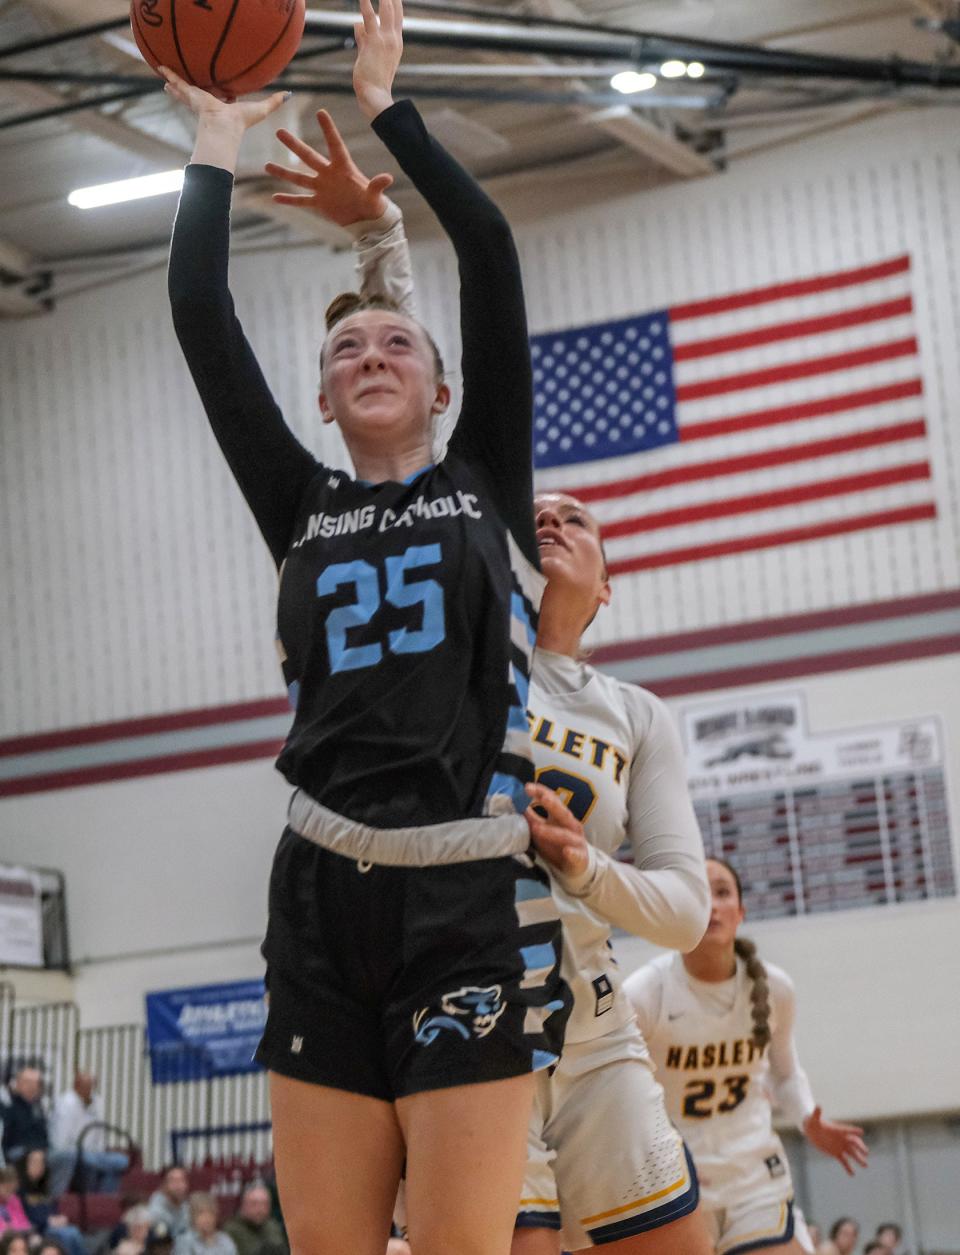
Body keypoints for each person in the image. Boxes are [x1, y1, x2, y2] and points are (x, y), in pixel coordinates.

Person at [268, 114, 716, 1254]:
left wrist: (583, 860)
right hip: (463, 988)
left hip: (595, 1021)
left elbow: (682, 903)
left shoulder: (630, 715)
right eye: (541, 511)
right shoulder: (456, 623)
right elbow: (417, 439)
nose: (553, 520)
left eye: (581, 520)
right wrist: (376, 238)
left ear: (610, 584)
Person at [161, 0, 569, 1250]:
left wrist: (388, 105)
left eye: (397, 338)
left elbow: (488, 253)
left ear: (443, 388)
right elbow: (201, 318)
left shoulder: (482, 480)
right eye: (347, 348)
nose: (371, 352)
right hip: (318, 896)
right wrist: (217, 141)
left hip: (460, 900)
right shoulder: (299, 503)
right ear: (329, 400)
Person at [625, 858, 869, 1255]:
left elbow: (785, 1074)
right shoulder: (645, 993)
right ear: (680, 912)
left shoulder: (776, 988)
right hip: (675, 1180)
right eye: (700, 895)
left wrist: (808, 1120)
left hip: (754, 1177)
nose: (713, 906)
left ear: (741, 913)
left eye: (722, 893)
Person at [50, 1071, 128, 1194]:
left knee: (121, 1161)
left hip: (94, 1154)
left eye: (91, 1086)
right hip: (72, 1152)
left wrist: (100, 1153)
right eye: (85, 1086)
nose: (89, 1089)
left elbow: (99, 1132)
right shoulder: (65, 1103)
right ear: (76, 1086)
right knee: (90, 1161)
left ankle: (104, 1202)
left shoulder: (97, 1102)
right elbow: (60, 1142)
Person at [14, 1150, 86, 1255]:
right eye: (34, 1162)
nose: (39, 1166)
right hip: (36, 1231)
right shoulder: (19, 1190)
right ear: (25, 1165)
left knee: (72, 1231)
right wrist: (47, 1221)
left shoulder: (44, 1188)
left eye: (42, 1162)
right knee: (68, 1234)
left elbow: (52, 1209)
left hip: (51, 1227)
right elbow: (22, 1217)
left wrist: (59, 1217)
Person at [222, 1183, 286, 1255]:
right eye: (254, 1204)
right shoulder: (231, 1231)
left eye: (265, 1204)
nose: (260, 1209)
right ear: (243, 1205)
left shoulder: (273, 1227)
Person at [147, 1167, 190, 1238]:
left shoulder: (186, 1206)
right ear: (164, 1185)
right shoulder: (156, 1212)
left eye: (182, 1180)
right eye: (174, 1181)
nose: (179, 1186)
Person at [0, 1167, 30, 1237]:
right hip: (4, 1236)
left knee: (35, 1239)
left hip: (17, 1234)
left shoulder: (15, 1199)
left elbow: (24, 1222)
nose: (10, 1194)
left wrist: (14, 1228)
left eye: (12, 1190)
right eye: (7, 1189)